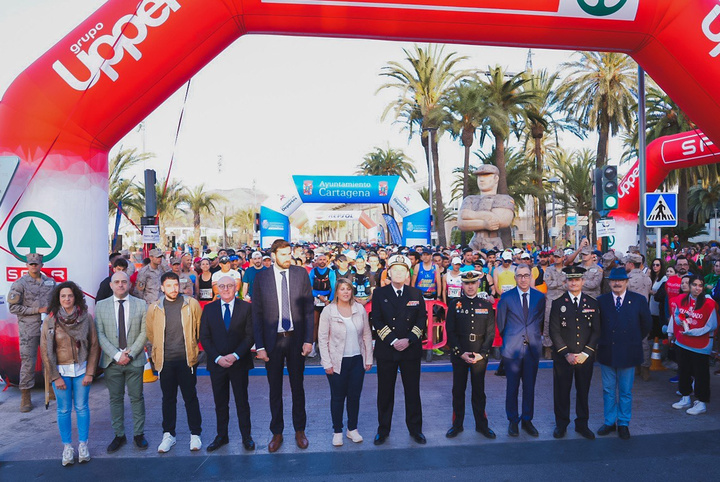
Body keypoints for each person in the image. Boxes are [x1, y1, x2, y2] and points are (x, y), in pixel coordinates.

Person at [252, 239, 314, 453]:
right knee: (274, 389)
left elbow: (308, 310)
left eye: (290, 254)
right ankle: (277, 433)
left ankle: (300, 430)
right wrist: (259, 346)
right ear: (274, 255)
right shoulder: (261, 278)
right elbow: (256, 314)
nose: (289, 258)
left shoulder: (301, 274)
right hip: (272, 341)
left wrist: (308, 340)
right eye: (284, 254)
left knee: (298, 387)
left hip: (296, 339)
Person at [39, 281, 99, 466]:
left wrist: (90, 372)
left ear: (76, 297)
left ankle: (83, 445)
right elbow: (45, 350)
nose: (67, 299)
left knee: (82, 408)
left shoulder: (85, 317)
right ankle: (67, 447)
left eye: (70, 295)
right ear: (58, 298)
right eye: (63, 296)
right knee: (63, 410)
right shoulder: (51, 319)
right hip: (61, 372)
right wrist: (55, 376)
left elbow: (94, 345)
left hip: (81, 370)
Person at [371, 254, 428, 445]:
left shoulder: (415, 293)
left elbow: (422, 319)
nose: (398, 273)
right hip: (388, 349)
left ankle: (415, 429)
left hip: (410, 350)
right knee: (385, 393)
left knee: (412, 392)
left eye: (402, 270)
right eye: (394, 269)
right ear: (389, 272)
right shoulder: (379, 293)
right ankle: (383, 430)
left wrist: (409, 339)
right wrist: (394, 340)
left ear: (407, 274)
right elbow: (376, 320)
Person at [146, 271, 204, 453]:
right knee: (168, 399)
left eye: (176, 285)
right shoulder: (154, 308)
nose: (173, 289)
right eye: (169, 285)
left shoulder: (191, 304)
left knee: (190, 398)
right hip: (165, 362)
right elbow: (151, 334)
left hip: (187, 361)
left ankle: (195, 434)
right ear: (162, 288)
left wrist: (193, 349)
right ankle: (168, 434)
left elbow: (198, 328)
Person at [200, 275, 256, 452]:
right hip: (217, 364)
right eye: (222, 286)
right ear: (216, 288)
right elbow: (204, 337)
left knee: (242, 401)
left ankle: (246, 436)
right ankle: (221, 436)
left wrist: (235, 355)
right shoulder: (209, 309)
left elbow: (250, 336)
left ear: (236, 287)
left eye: (229, 286)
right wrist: (218, 358)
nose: (225, 289)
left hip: (239, 363)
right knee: (220, 402)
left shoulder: (246, 308)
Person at [95, 272, 149, 453]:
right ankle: (119, 435)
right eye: (116, 282)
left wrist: (130, 354)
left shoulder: (141, 304)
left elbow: (145, 332)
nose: (120, 285)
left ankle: (138, 434)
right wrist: (117, 356)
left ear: (129, 285)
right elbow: (99, 334)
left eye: (124, 282)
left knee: (137, 398)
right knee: (115, 399)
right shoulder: (101, 306)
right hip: (112, 362)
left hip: (135, 360)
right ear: (111, 285)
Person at [596, 268, 652, 440]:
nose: (617, 283)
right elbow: (597, 326)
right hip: (607, 351)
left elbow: (646, 325)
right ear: (609, 282)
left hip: (628, 352)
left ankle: (623, 423)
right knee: (608, 390)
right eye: (613, 281)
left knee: (626, 391)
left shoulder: (638, 300)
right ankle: (609, 421)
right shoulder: (601, 300)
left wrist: (633, 340)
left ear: (627, 282)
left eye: (620, 280)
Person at [318, 278, 373, 446]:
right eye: (342, 289)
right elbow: (322, 338)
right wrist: (327, 363)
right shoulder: (328, 311)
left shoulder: (359, 309)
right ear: (337, 292)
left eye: (348, 289)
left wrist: (368, 358)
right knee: (338, 397)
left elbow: (366, 335)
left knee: (354, 397)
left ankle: (352, 429)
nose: (346, 292)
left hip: (357, 359)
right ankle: (337, 431)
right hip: (336, 361)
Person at [549, 266, 600, 440]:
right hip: (564, 357)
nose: (574, 283)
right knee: (562, 392)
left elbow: (596, 331)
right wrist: (566, 354)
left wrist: (586, 353)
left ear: (583, 282)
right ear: (566, 282)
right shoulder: (558, 303)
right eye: (570, 280)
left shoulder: (592, 303)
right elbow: (554, 331)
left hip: (585, 357)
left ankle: (582, 424)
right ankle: (561, 425)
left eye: (577, 279)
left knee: (583, 391)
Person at [445, 271, 496, 439]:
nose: (470, 286)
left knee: (479, 391)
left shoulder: (486, 305)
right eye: (467, 283)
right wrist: (460, 353)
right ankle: (457, 425)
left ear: (478, 284)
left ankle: (482, 425)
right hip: (461, 354)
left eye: (473, 283)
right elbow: (450, 331)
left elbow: (490, 333)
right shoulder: (455, 304)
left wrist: (482, 353)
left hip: (479, 354)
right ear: (462, 285)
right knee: (458, 390)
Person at [496, 264, 546, 437]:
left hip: (532, 349)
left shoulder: (540, 297)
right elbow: (501, 323)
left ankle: (527, 420)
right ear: (515, 278)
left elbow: (540, 320)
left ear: (531, 277)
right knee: (512, 387)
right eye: (520, 276)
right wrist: (512, 338)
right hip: (512, 349)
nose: (523, 279)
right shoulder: (507, 297)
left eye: (526, 275)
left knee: (530, 387)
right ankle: (513, 421)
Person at [7, 252, 57, 412]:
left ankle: (51, 388)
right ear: (27, 265)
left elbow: (56, 302)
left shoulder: (50, 282)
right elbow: (13, 307)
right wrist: (38, 310)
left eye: (37, 264)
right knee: (28, 362)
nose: (34, 266)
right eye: (31, 264)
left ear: (42, 265)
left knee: (50, 358)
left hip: (48, 328)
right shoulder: (20, 284)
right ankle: (25, 395)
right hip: (29, 329)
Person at [669, 276, 717, 415]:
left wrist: (694, 332)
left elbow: (712, 325)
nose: (697, 288)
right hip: (683, 342)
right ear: (689, 286)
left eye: (700, 285)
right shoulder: (681, 299)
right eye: (695, 285)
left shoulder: (709, 303)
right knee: (683, 371)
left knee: (701, 374)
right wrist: (681, 321)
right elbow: (677, 315)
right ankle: (685, 397)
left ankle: (701, 402)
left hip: (701, 345)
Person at [456, 164, 515, 250]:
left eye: (486, 176)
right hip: (474, 242)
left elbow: (500, 221)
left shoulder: (504, 199)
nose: (481, 179)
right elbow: (461, 224)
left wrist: (471, 215)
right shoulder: (470, 199)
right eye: (479, 176)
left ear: (496, 178)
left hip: (493, 242)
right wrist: (484, 223)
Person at [626, 252, 653, 381]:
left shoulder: (628, 279)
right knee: (644, 341)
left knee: (632, 341)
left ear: (631, 264)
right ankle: (645, 368)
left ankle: (636, 367)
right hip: (644, 312)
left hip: (631, 313)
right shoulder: (647, 277)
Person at [543, 249, 567, 360]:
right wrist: (560, 284)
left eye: (559, 257)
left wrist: (558, 285)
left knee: (563, 323)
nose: (556, 258)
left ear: (563, 258)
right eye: (555, 256)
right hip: (551, 300)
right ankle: (548, 347)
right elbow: (549, 284)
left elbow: (568, 285)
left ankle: (562, 346)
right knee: (548, 322)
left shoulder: (567, 270)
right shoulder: (549, 269)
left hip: (563, 300)